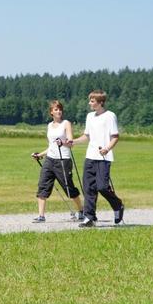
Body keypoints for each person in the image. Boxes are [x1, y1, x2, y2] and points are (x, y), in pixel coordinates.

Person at [71, 89, 124, 227]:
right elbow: (87, 136)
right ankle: (90, 218)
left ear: (100, 102)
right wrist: (73, 142)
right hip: (90, 156)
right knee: (88, 188)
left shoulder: (110, 116)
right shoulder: (90, 116)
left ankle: (118, 205)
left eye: (92, 101)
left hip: (104, 157)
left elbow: (115, 137)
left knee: (102, 187)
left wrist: (107, 148)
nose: (89, 103)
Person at [31, 100, 83, 223]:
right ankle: (41, 216)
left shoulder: (66, 123)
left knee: (68, 188)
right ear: (51, 112)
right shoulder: (49, 126)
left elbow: (71, 143)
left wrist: (63, 142)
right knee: (43, 186)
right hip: (50, 160)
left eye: (60, 109)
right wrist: (40, 155)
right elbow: (52, 146)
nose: (58, 111)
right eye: (56, 109)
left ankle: (82, 210)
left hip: (63, 160)